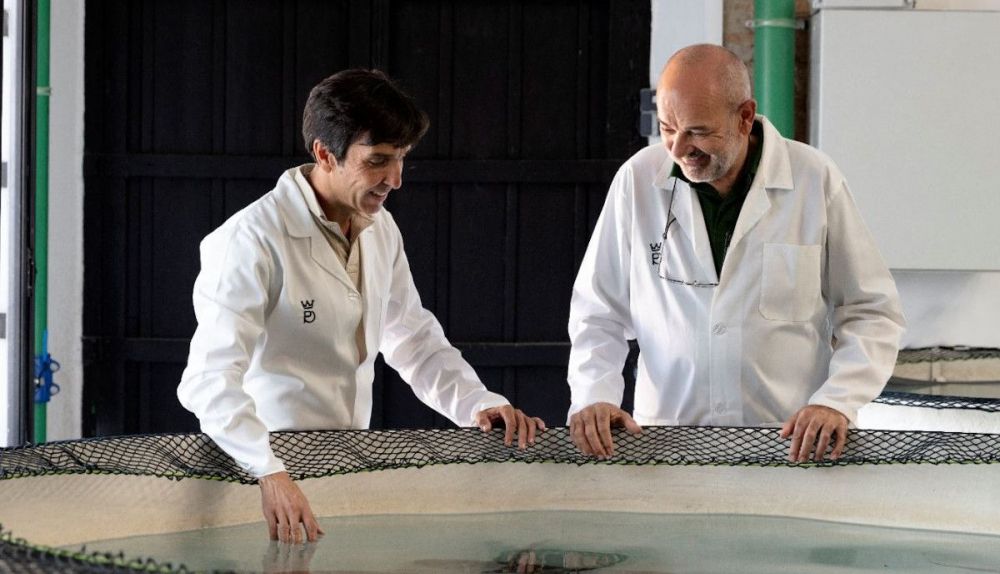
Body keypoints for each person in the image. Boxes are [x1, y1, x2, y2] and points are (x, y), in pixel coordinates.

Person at [178, 69, 545, 544]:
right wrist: (268, 471)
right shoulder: (249, 241)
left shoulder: (381, 229)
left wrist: (479, 404)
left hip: (345, 470)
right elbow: (209, 381)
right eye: (378, 161)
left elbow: (413, 340)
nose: (396, 180)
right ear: (324, 155)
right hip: (261, 482)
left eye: (401, 159)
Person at [567, 44, 905, 463]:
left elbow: (872, 311)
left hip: (790, 448)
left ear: (745, 117)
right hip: (667, 448)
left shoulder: (813, 179)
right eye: (668, 128)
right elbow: (598, 313)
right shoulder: (637, 181)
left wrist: (836, 401)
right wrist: (594, 395)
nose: (678, 149)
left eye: (698, 131)